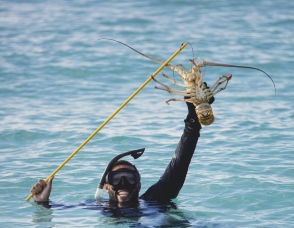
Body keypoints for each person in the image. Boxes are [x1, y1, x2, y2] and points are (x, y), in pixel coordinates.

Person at [30, 88, 214, 207]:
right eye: (117, 178)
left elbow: (179, 165)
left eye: (130, 177)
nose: (124, 184)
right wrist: (42, 202)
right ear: (107, 186)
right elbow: (60, 208)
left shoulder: (154, 199)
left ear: (139, 184)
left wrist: (192, 122)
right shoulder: (96, 206)